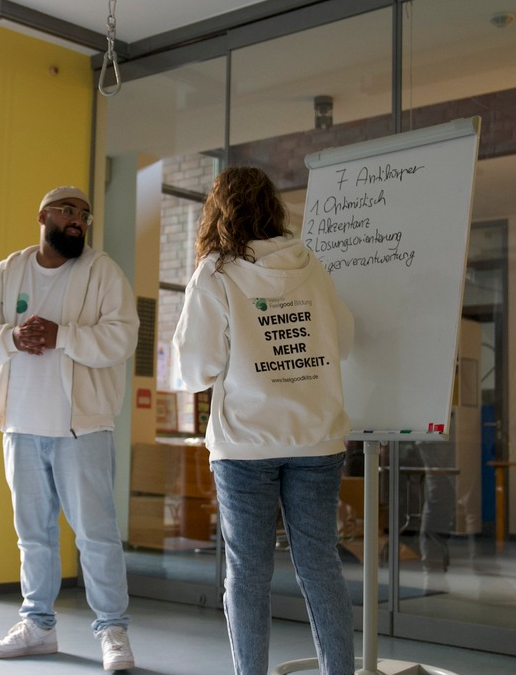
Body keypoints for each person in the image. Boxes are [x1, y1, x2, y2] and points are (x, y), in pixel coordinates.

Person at [172, 166, 356, 675]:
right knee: (320, 567)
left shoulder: (216, 273)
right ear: (273, 208)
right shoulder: (311, 266)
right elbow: (345, 339)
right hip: (317, 439)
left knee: (248, 574)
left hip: (246, 445)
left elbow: (195, 368)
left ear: (217, 213)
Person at [0, 186, 139, 672]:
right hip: (20, 425)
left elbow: (123, 337)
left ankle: (112, 630)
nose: (78, 220)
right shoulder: (9, 271)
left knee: (97, 535)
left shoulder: (102, 272)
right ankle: (38, 626)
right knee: (33, 536)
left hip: (82, 428)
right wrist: (11, 337)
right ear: (43, 215)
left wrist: (64, 336)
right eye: (68, 211)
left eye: (84, 214)